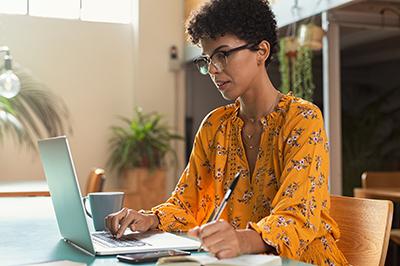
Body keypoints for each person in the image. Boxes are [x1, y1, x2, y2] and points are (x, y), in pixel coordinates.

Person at [105, 0, 349, 264]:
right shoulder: (215, 126)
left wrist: (239, 240)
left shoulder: (302, 119)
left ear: (261, 51)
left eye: (222, 54)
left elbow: (297, 215)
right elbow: (187, 203)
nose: (212, 69)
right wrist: (150, 218)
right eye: (208, 59)